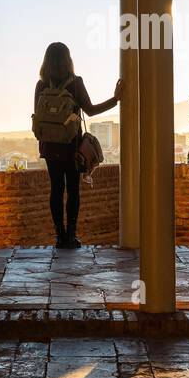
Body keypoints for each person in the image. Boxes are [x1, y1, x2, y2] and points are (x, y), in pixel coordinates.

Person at [34, 42, 122, 249]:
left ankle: (59, 236)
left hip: (49, 147)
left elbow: (38, 117)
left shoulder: (41, 85)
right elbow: (90, 110)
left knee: (56, 189)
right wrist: (115, 99)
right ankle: (71, 236)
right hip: (71, 147)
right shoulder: (75, 83)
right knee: (73, 190)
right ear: (68, 59)